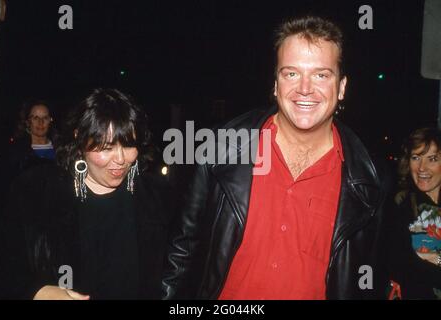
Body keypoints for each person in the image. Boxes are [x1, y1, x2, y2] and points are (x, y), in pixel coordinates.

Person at [162, 15, 441, 300]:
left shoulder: (372, 178)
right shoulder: (221, 148)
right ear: (275, 84)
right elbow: (182, 250)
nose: (305, 88)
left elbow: (368, 274)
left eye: (321, 74)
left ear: (342, 87)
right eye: (291, 73)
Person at [0, 88, 173, 299]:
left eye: (128, 145)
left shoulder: (156, 197)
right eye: (106, 147)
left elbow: (175, 274)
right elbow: (3, 266)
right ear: (80, 138)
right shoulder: (34, 191)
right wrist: (36, 292)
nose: (120, 159)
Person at [392, 127, 441, 298]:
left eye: (432, 159)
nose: (422, 168)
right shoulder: (401, 207)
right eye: (416, 158)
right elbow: (407, 268)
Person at [8, 100, 57, 174]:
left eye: (45, 118)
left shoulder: (60, 149)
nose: (40, 122)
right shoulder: (17, 152)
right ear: (28, 122)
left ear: (50, 120)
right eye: (35, 118)